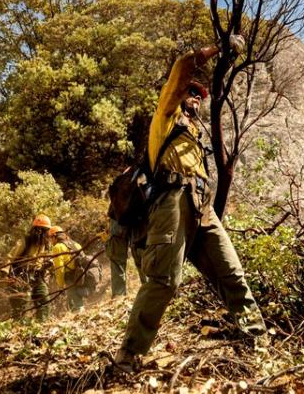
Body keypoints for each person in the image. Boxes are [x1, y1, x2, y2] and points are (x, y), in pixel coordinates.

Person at [113, 35, 266, 374]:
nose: (196, 98)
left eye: (200, 96)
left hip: (202, 207)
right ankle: (129, 353)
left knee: (232, 273)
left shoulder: (197, 138)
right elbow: (182, 68)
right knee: (165, 280)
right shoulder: (165, 118)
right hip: (171, 202)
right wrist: (217, 48)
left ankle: (257, 340)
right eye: (191, 93)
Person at [3, 214, 53, 321]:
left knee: (44, 301)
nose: (47, 234)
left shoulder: (45, 245)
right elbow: (10, 257)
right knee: (20, 306)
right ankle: (19, 329)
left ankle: (42, 325)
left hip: (36, 276)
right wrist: (6, 275)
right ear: (38, 231)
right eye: (45, 231)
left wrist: (47, 266)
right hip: (20, 276)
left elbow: (43, 262)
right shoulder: (25, 241)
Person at [49, 226, 87, 312]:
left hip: (69, 278)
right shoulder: (76, 244)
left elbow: (59, 268)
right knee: (79, 302)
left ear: (54, 236)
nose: (50, 241)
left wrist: (61, 284)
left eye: (50, 238)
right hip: (81, 276)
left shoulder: (57, 247)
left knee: (75, 306)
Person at [106, 217, 145, 297]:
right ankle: (150, 291)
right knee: (141, 257)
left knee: (117, 262)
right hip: (138, 222)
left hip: (118, 222)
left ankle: (118, 295)